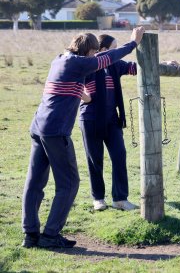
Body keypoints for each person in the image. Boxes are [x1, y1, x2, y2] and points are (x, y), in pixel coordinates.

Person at [22, 27, 145, 249]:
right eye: (94, 53)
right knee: (69, 184)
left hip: (38, 127)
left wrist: (81, 93)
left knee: (34, 183)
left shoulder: (59, 60)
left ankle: (30, 235)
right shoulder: (81, 63)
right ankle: (50, 236)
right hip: (56, 131)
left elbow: (68, 85)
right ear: (89, 52)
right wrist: (133, 43)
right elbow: (108, 57)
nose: (95, 57)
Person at [79, 34, 179, 212]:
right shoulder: (87, 65)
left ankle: (120, 199)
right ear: (102, 50)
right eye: (114, 48)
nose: (117, 52)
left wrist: (164, 63)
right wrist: (85, 98)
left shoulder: (115, 64)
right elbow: (74, 82)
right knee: (95, 160)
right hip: (91, 119)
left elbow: (137, 68)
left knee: (119, 156)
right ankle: (98, 199)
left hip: (112, 119)